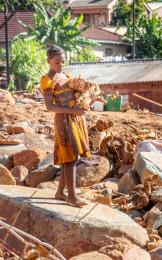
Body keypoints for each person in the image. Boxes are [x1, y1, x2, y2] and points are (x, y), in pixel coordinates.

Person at [41, 45, 90, 207]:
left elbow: (76, 94)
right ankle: (72, 196)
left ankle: (60, 192)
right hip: (64, 120)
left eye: (62, 61)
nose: (60, 64)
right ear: (49, 61)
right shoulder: (47, 80)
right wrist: (72, 111)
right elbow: (50, 107)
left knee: (70, 157)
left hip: (75, 119)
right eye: (56, 62)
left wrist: (85, 101)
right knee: (70, 158)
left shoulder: (67, 75)